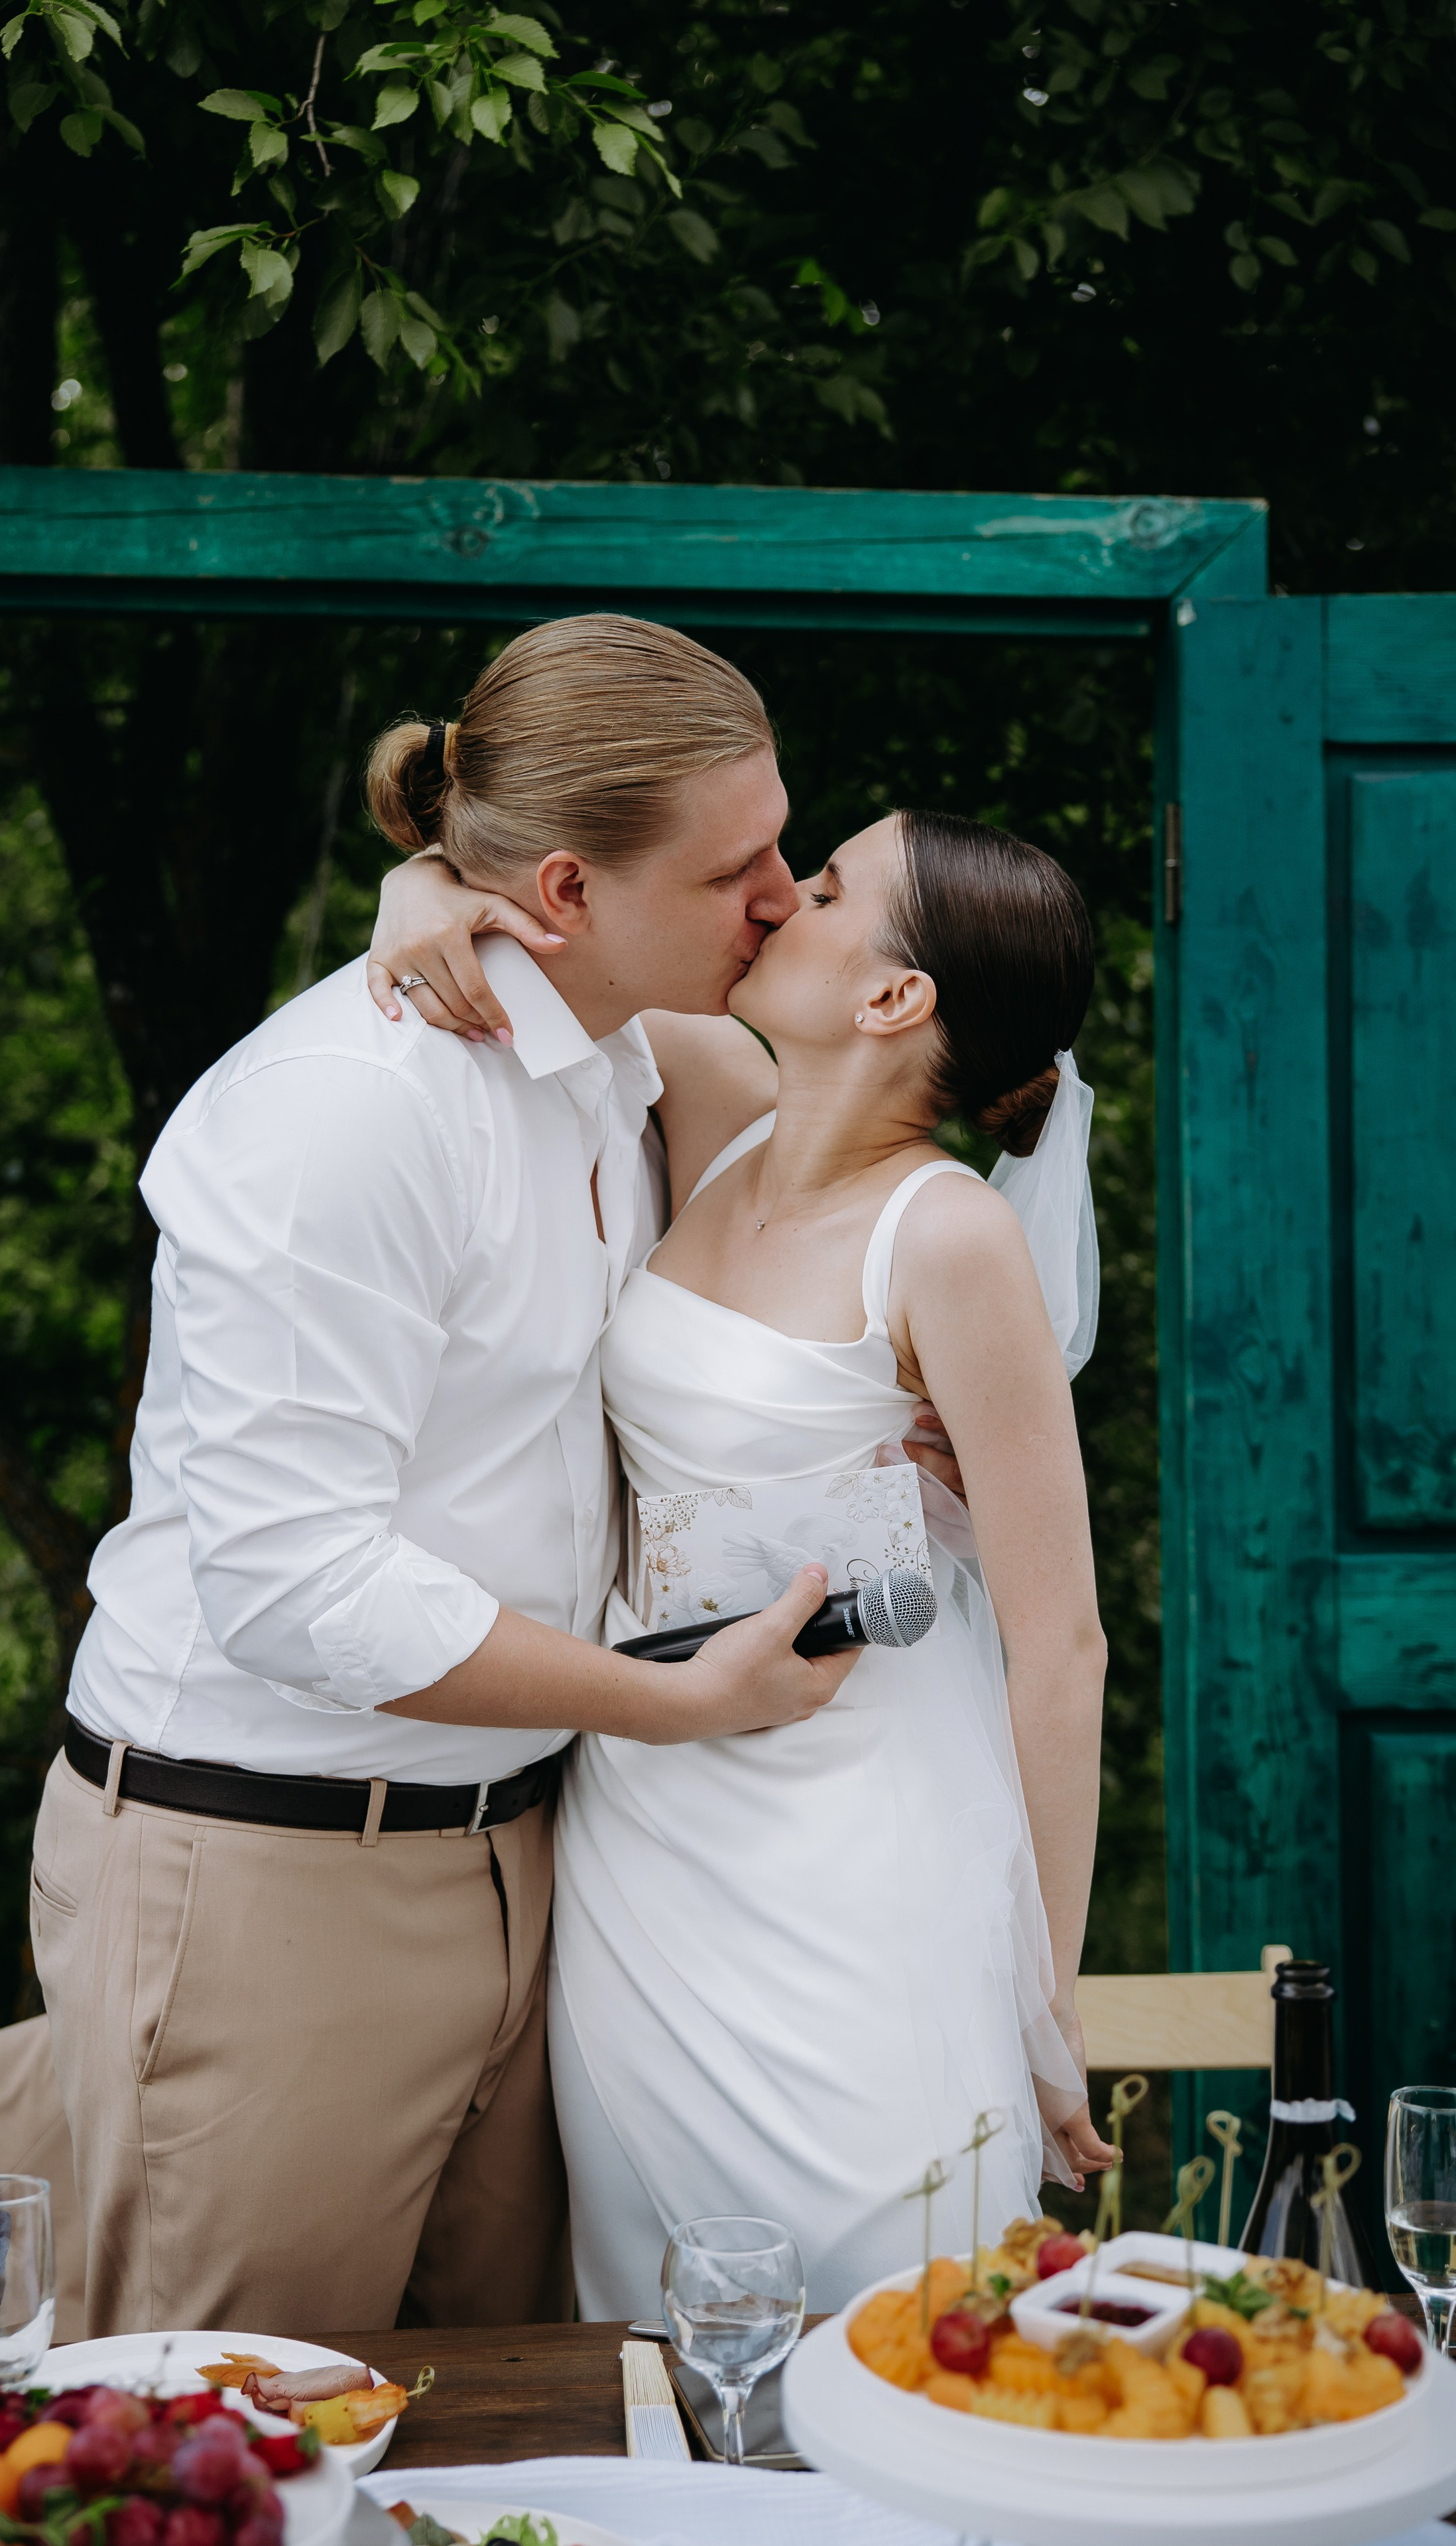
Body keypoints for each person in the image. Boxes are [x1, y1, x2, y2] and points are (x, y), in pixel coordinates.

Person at [31, 615, 866, 2340]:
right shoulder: (344, 1113)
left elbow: (844, 1157)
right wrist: (672, 1703)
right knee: (237, 2444)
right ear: (564, 890)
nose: (783, 893)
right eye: (741, 869)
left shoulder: (627, 1055)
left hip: (531, 1856)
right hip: (270, 1874)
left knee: (499, 2446)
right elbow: (296, 1589)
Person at [367, 806, 1116, 2313]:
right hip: (643, 1831)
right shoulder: (719, 1111)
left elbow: (1061, 1643)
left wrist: (1040, 2000)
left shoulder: (946, 1235)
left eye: (828, 889)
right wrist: (413, 889)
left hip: (853, 1838)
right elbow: (548, 926)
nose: (776, 900)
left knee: (874, 2289)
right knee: (655, 2304)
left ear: (894, 999)